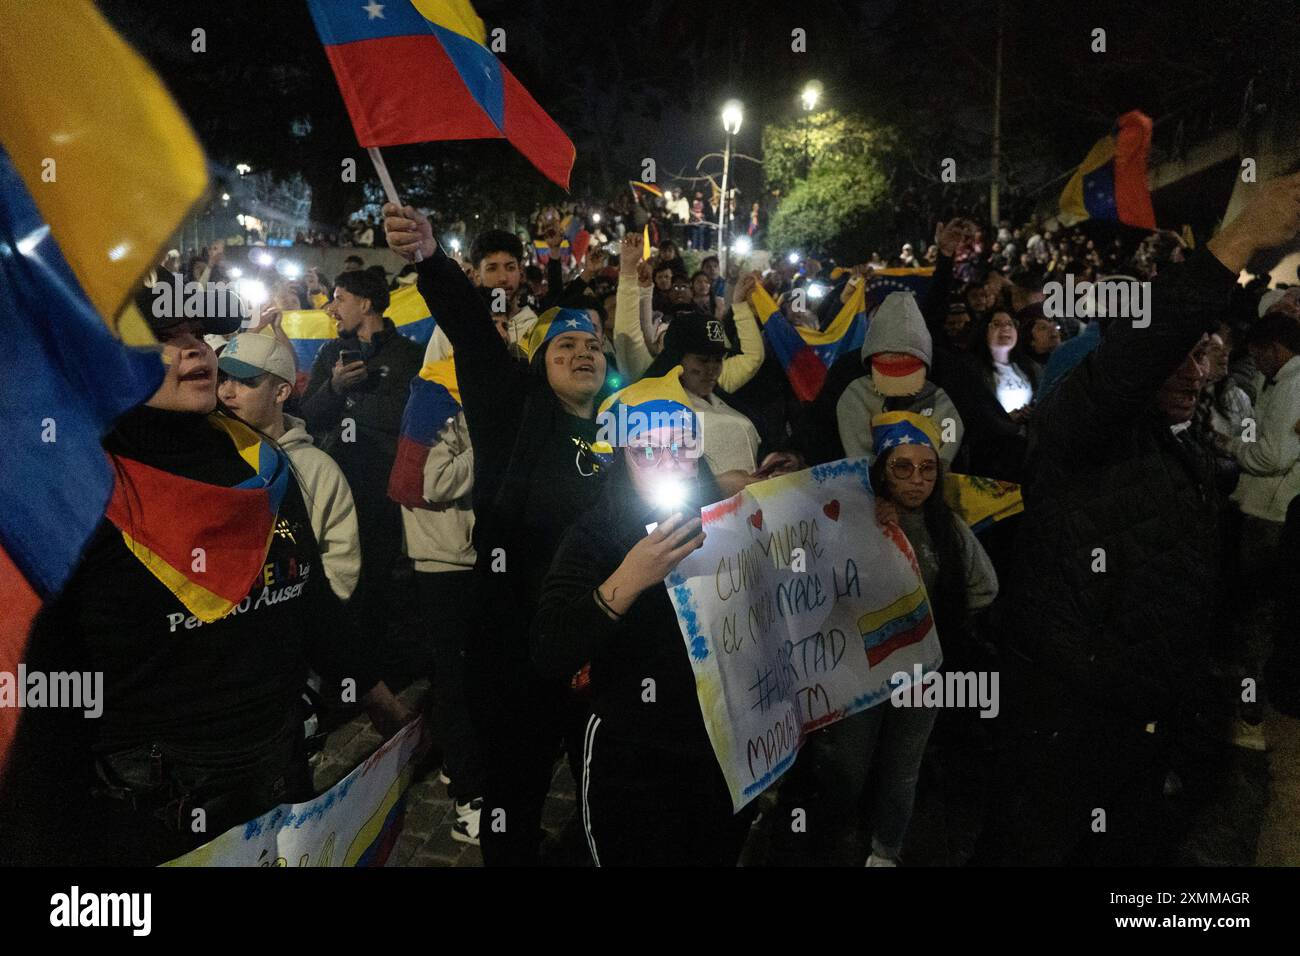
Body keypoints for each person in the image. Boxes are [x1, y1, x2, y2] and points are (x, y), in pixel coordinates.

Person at [0, 286, 407, 866]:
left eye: (194, 334)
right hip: (152, 809)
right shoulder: (71, 493)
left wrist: (378, 695)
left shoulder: (261, 464)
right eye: (162, 340)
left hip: (277, 772)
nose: (193, 350)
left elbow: (308, 594)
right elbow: (45, 698)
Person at [978, 172, 1300, 866]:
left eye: (1207, 355)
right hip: (1070, 724)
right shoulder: (1083, 425)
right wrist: (1236, 240)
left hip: (1146, 728)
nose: (1195, 371)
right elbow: (1137, 357)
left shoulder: (1186, 449)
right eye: (1178, 355)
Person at [384, 200, 610, 866]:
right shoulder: (512, 412)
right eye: (565, 344)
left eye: (592, 345)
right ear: (537, 363)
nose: (582, 352)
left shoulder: (619, 434)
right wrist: (430, 261)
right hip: (514, 646)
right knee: (515, 793)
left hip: (594, 642)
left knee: (602, 786)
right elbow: (476, 339)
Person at [531, 374, 756, 865]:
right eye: (645, 451)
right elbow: (549, 647)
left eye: (679, 446)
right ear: (621, 460)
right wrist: (630, 579)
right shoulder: (595, 532)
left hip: (717, 742)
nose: (666, 463)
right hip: (630, 750)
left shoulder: (725, 514)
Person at [805, 412, 996, 867]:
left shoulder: (947, 528)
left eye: (927, 468)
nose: (917, 480)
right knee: (848, 768)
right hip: (861, 670)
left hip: (921, 674)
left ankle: (885, 853)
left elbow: (985, 585)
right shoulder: (856, 517)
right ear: (882, 470)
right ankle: (831, 840)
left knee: (902, 771)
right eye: (903, 467)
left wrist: (935, 627)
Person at [301, 268, 424, 673]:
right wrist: (335, 387)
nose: (332, 308)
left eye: (339, 298)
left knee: (380, 579)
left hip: (386, 491)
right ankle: (343, 669)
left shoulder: (409, 355)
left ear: (365, 304)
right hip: (339, 487)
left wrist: (358, 404)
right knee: (338, 577)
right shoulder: (328, 355)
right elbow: (311, 418)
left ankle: (379, 670)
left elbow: (410, 418)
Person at [391, 357, 486, 844]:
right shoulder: (438, 397)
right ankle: (472, 799)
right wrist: (489, 441)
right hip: (445, 563)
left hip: (458, 557)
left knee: (460, 676)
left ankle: (455, 763)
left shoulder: (453, 392)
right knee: (459, 682)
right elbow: (434, 481)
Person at [217, 332, 359, 602]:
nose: (226, 392)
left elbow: (341, 565)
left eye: (245, 382)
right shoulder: (209, 457)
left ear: (281, 391)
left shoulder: (317, 469)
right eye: (222, 378)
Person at [1225, 311, 1300, 748]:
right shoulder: (1278, 383)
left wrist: (1229, 445)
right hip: (1276, 512)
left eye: (1258, 355)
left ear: (1274, 348)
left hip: (1270, 514)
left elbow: (1271, 457)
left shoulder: (1292, 385)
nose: (1256, 364)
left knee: (1256, 619)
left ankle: (1250, 714)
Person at [801, 291, 964, 469]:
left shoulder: (952, 372)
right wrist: (795, 453)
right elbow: (819, 426)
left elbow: (984, 429)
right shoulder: (847, 373)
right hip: (859, 486)